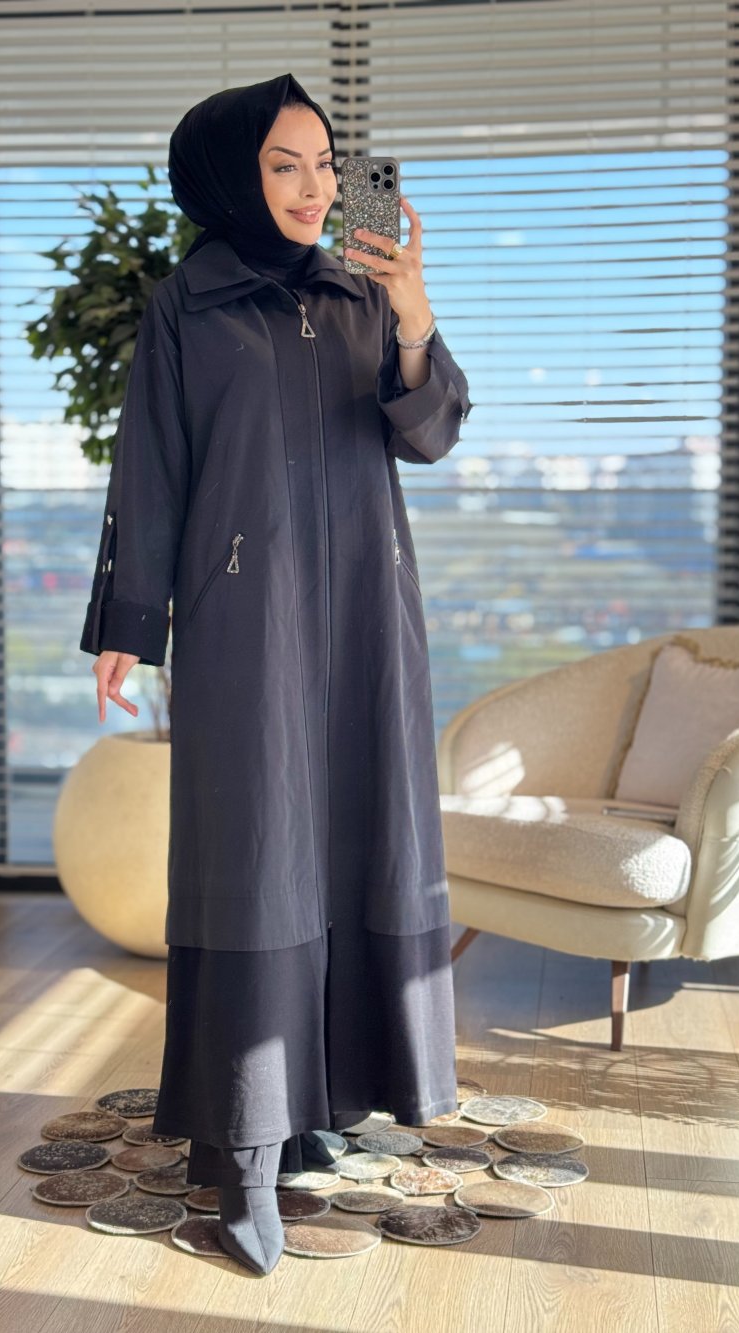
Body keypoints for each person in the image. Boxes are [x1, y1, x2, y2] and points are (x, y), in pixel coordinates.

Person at [80, 72, 473, 1275]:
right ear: (228, 177)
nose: (312, 188)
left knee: (357, 841)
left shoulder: (361, 291)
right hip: (247, 618)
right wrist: (128, 622)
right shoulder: (187, 306)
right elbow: (150, 464)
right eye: (282, 165)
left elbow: (430, 432)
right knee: (255, 861)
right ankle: (243, 1151)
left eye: (324, 163)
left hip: (365, 616)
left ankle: (318, 1106)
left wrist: (411, 313)